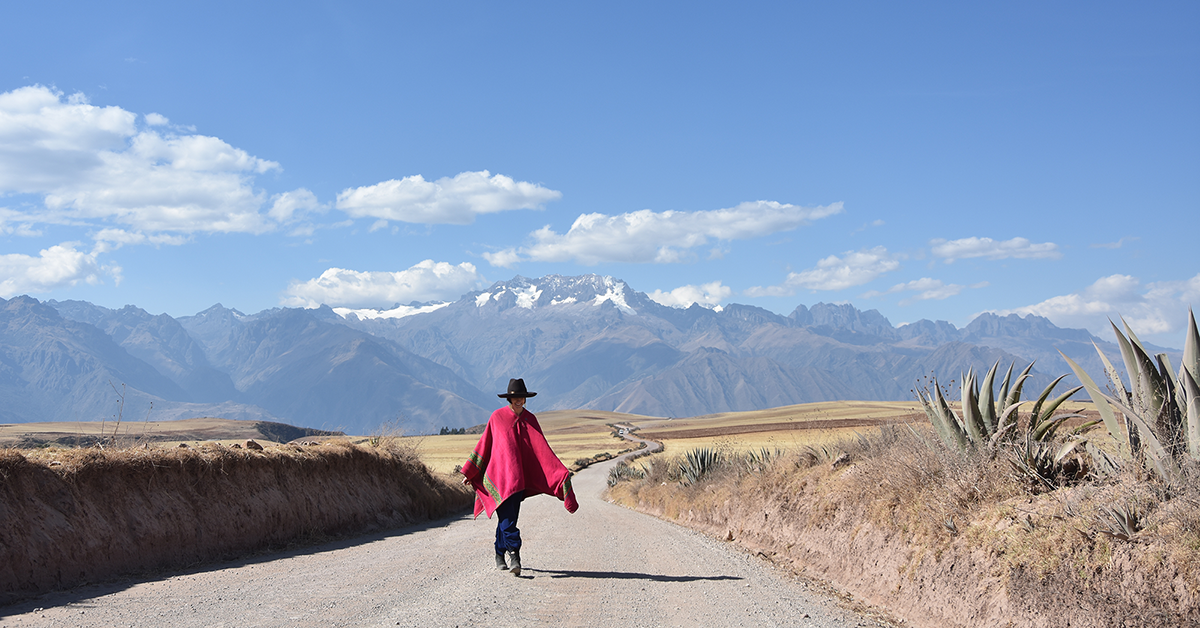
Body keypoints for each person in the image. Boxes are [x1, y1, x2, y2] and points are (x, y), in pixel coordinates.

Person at [459, 378, 578, 576]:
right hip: (498, 480)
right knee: (507, 521)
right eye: (515, 397)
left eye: (521, 397)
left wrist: (560, 474)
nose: (518, 400)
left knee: (508, 519)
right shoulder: (497, 418)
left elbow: (542, 451)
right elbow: (484, 445)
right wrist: (470, 472)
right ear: (509, 399)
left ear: (525, 398)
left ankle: (499, 553)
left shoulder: (530, 420)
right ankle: (515, 555)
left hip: (519, 481)